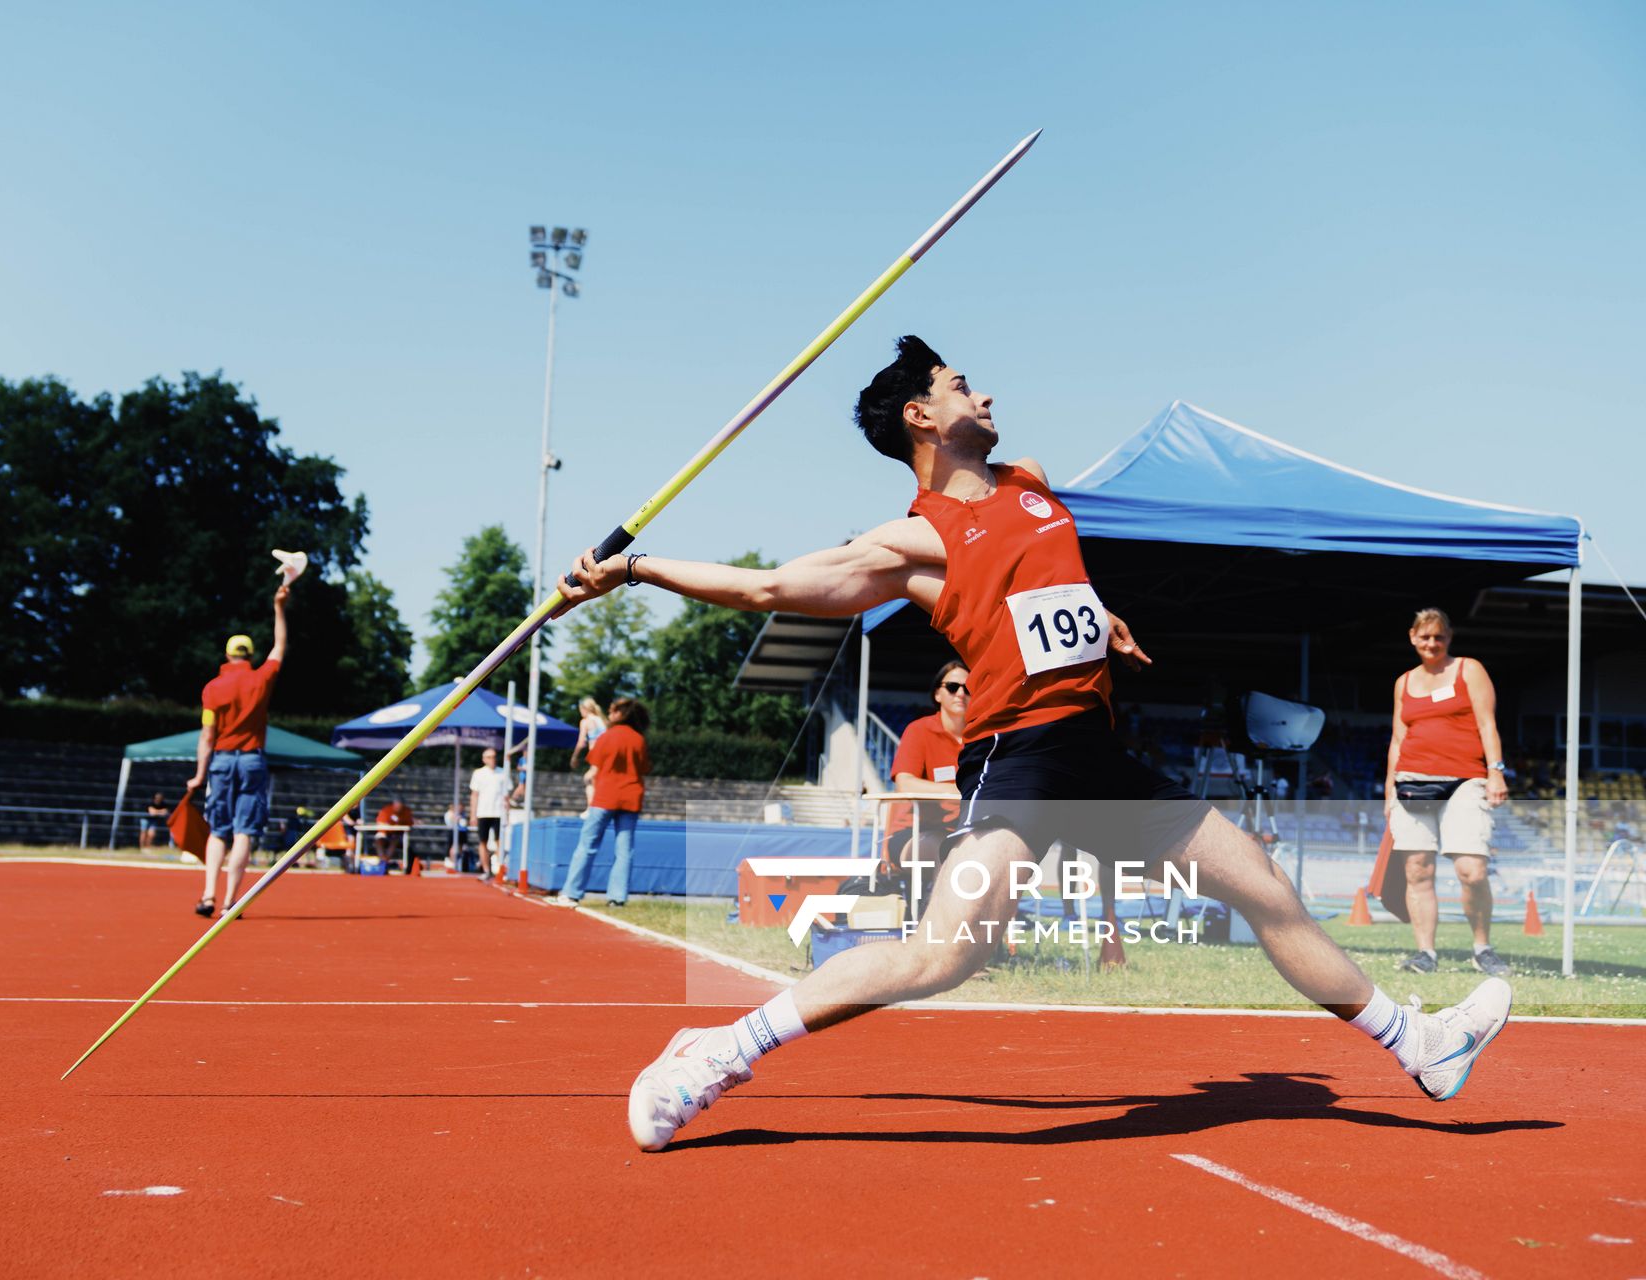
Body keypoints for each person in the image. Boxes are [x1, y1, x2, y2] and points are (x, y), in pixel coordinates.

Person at [559, 336, 1511, 1152]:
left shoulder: (1031, 485)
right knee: (943, 955)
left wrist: (1103, 616)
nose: (985, 394)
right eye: (960, 383)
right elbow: (768, 588)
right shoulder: (915, 539)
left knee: (1260, 880)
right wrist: (634, 569)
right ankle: (718, 1053)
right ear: (921, 419)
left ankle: (1416, 1046)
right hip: (1020, 759)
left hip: (1093, 752)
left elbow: (1050, 586)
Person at [1385, 607, 1512, 978]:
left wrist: (1496, 773)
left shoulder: (1468, 669)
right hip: (1410, 782)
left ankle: (1482, 948)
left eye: (1439, 636)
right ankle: (1425, 954)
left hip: (1466, 779)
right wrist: (1387, 792)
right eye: (1425, 637)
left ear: (1449, 637)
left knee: (1471, 870)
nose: (1432, 643)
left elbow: (1488, 723)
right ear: (1412, 637)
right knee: (1417, 870)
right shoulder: (1403, 682)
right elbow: (1397, 738)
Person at [186, 583, 289, 917]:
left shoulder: (212, 689)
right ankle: (232, 901)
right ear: (249, 655)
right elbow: (280, 647)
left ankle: (207, 896)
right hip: (252, 760)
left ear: (227, 655)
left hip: (222, 760)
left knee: (218, 830)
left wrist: (199, 774)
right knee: (244, 830)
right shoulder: (260, 679)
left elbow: (206, 735)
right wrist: (278, 607)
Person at [882, 661, 969, 909]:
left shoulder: (981, 737)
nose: (961, 693)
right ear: (938, 694)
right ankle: (938, 930)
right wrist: (953, 790)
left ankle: (991, 937)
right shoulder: (919, 731)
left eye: (968, 687)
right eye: (953, 687)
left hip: (962, 831)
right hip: (910, 834)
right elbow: (904, 782)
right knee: (949, 851)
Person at [556, 698, 650, 907]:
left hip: (606, 796)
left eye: (612, 711)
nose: (609, 714)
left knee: (587, 844)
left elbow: (595, 763)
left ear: (621, 714)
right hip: (631, 797)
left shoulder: (608, 736)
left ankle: (571, 892)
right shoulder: (639, 739)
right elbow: (644, 768)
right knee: (624, 850)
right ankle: (617, 898)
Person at [467, 747, 514, 882]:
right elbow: (474, 795)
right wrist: (473, 815)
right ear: (484, 759)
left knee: (500, 842)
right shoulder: (478, 773)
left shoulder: (503, 773)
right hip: (483, 813)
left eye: (493, 756)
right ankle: (486, 870)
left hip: (499, 813)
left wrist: (508, 814)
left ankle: (500, 869)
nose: (492, 759)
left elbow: (506, 797)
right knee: (483, 842)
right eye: (489, 757)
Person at [570, 696, 609, 805]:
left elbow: (581, 742)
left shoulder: (585, 721)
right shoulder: (602, 720)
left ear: (584, 709)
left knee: (588, 779)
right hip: (607, 754)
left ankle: (592, 808)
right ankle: (598, 805)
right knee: (596, 780)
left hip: (596, 754)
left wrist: (574, 757)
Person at [375, 797, 416, 873]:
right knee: (379, 841)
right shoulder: (386, 810)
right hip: (385, 833)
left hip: (398, 835)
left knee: (395, 841)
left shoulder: (406, 812)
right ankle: (383, 861)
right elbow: (380, 824)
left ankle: (385, 861)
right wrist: (390, 827)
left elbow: (409, 824)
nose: (398, 807)